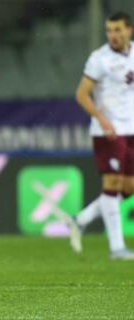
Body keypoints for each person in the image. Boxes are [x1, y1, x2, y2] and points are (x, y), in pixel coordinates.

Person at [69, 12, 134, 260]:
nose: (113, 35)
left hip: (131, 131)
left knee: (128, 188)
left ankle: (80, 219)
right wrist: (102, 118)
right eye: (109, 30)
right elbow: (82, 94)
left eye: (118, 30)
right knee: (112, 185)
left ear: (129, 30)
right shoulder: (99, 59)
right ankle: (117, 248)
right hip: (107, 132)